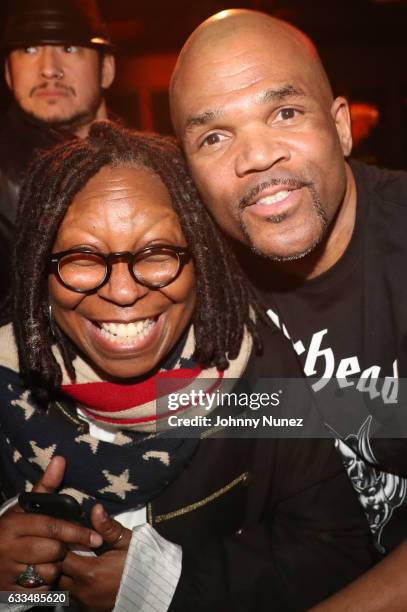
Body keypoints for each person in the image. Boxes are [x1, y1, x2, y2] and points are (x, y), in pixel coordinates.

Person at [0, 122, 376, 611]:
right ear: (39, 269)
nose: (123, 291)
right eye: (82, 257)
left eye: (157, 253)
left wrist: (169, 584)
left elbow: (338, 548)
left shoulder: (254, 377)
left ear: (200, 258)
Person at [169, 8, 407, 610]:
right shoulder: (177, 285)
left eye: (285, 112)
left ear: (342, 128)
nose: (256, 156)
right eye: (214, 137)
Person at [0, 0, 115, 313]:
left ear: (106, 69)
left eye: (68, 48)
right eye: (29, 50)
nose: (49, 69)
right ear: (8, 74)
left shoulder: (148, 164)